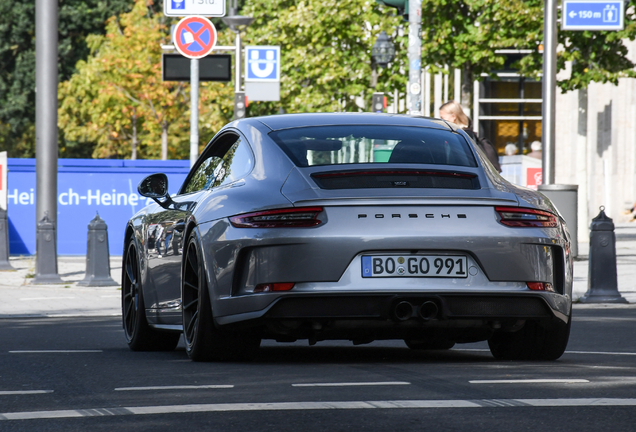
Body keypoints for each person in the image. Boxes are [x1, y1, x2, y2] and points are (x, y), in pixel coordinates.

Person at [439, 100, 502, 173]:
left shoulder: (462, 136)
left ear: (453, 117)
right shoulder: (464, 135)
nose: (441, 122)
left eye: (443, 118)